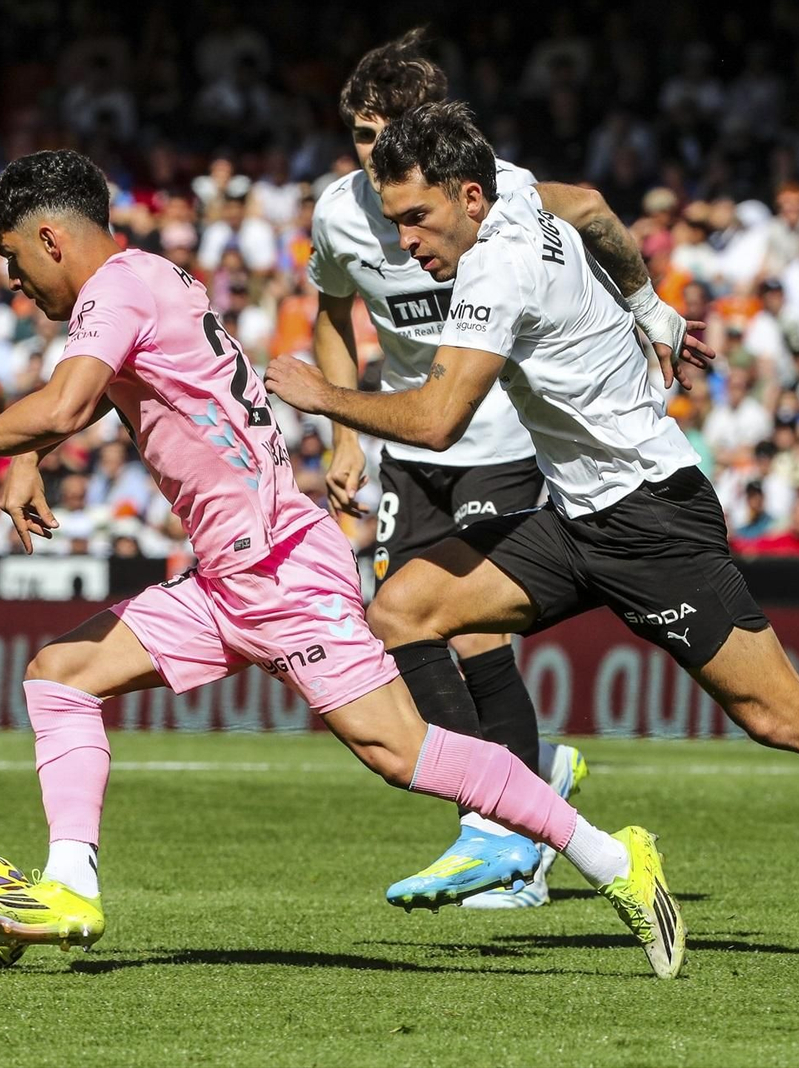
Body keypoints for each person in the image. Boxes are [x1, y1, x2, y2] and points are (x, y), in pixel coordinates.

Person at [0, 149, 687, 979]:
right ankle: (70, 886)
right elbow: (93, 390)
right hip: (229, 577)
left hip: (283, 568)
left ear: (49, 238)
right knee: (59, 674)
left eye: (11, 258)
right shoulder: (148, 277)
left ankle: (614, 859)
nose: (12, 280)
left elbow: (71, 399)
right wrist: (26, 457)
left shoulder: (115, 293)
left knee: (400, 752)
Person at [264, 102, 799, 964]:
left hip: (651, 517)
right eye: (395, 218)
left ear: (469, 198)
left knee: (781, 715)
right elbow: (591, 204)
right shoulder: (517, 190)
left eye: (418, 218)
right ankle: (503, 820)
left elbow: (439, 419)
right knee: (407, 609)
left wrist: (323, 396)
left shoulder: (497, 271)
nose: (405, 241)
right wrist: (651, 307)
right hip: (572, 515)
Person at [308, 28, 712, 909]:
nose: (378, 155)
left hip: (493, 433)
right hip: (410, 446)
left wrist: (648, 307)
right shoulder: (337, 214)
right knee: (398, 622)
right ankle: (527, 783)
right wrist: (347, 438)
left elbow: (596, 209)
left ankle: (506, 842)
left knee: (475, 630)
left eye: (393, 133)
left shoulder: (503, 195)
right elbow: (332, 315)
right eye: (364, 138)